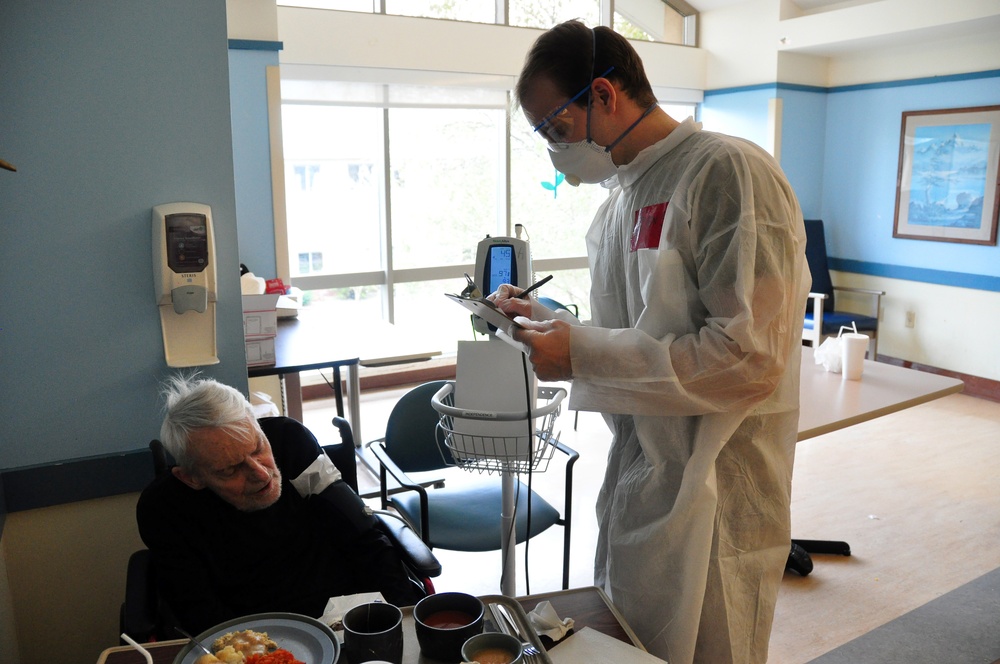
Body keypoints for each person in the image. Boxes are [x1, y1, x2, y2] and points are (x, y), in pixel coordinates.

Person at [492, 20, 811, 664]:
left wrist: (580, 353)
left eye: (555, 127)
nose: (555, 147)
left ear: (604, 95)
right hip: (643, 466)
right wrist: (551, 321)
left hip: (716, 480)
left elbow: (748, 358)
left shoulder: (729, 173)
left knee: (713, 641)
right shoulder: (617, 204)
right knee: (638, 642)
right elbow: (643, 327)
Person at [136, 375, 420, 635]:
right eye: (229, 470)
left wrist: (406, 619)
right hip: (253, 633)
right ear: (192, 478)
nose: (262, 474)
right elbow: (199, 612)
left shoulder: (290, 442)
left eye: (258, 448)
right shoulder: (164, 509)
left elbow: (364, 537)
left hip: (347, 616)